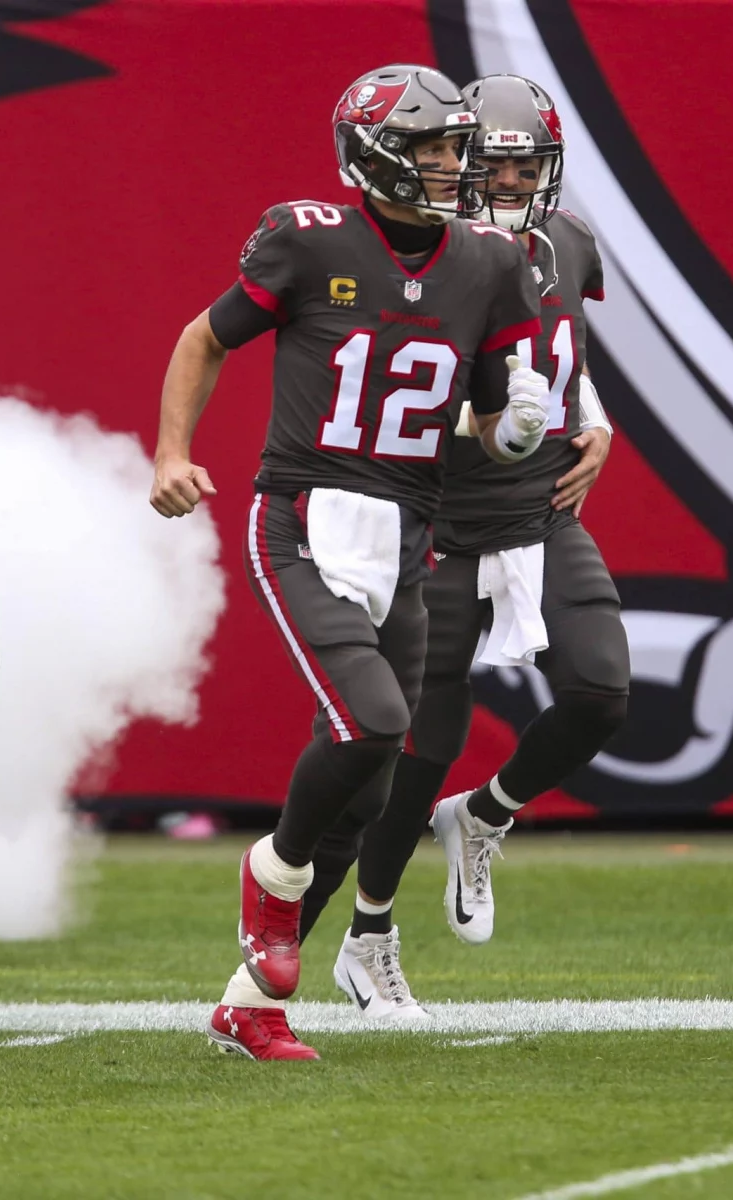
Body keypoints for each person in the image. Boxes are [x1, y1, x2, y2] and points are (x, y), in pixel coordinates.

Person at [151, 63, 550, 1060]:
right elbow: (203, 338)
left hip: (409, 535)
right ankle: (273, 875)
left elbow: (491, 416)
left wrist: (518, 430)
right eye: (433, 148)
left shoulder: (491, 262)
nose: (454, 165)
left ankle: (252, 1001)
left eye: (458, 147)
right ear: (375, 155)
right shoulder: (307, 239)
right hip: (303, 520)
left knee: (373, 789)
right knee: (370, 724)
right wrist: (170, 452)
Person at [296, 73, 628, 1020]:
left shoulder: (565, 242)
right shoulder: (437, 258)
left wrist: (592, 418)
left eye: (529, 165)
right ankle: (366, 936)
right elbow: (390, 392)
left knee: (601, 691)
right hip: (437, 524)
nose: (515, 182)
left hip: (539, 512)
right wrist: (482, 425)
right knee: (417, 749)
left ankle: (485, 818)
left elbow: (565, 351)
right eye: (496, 164)